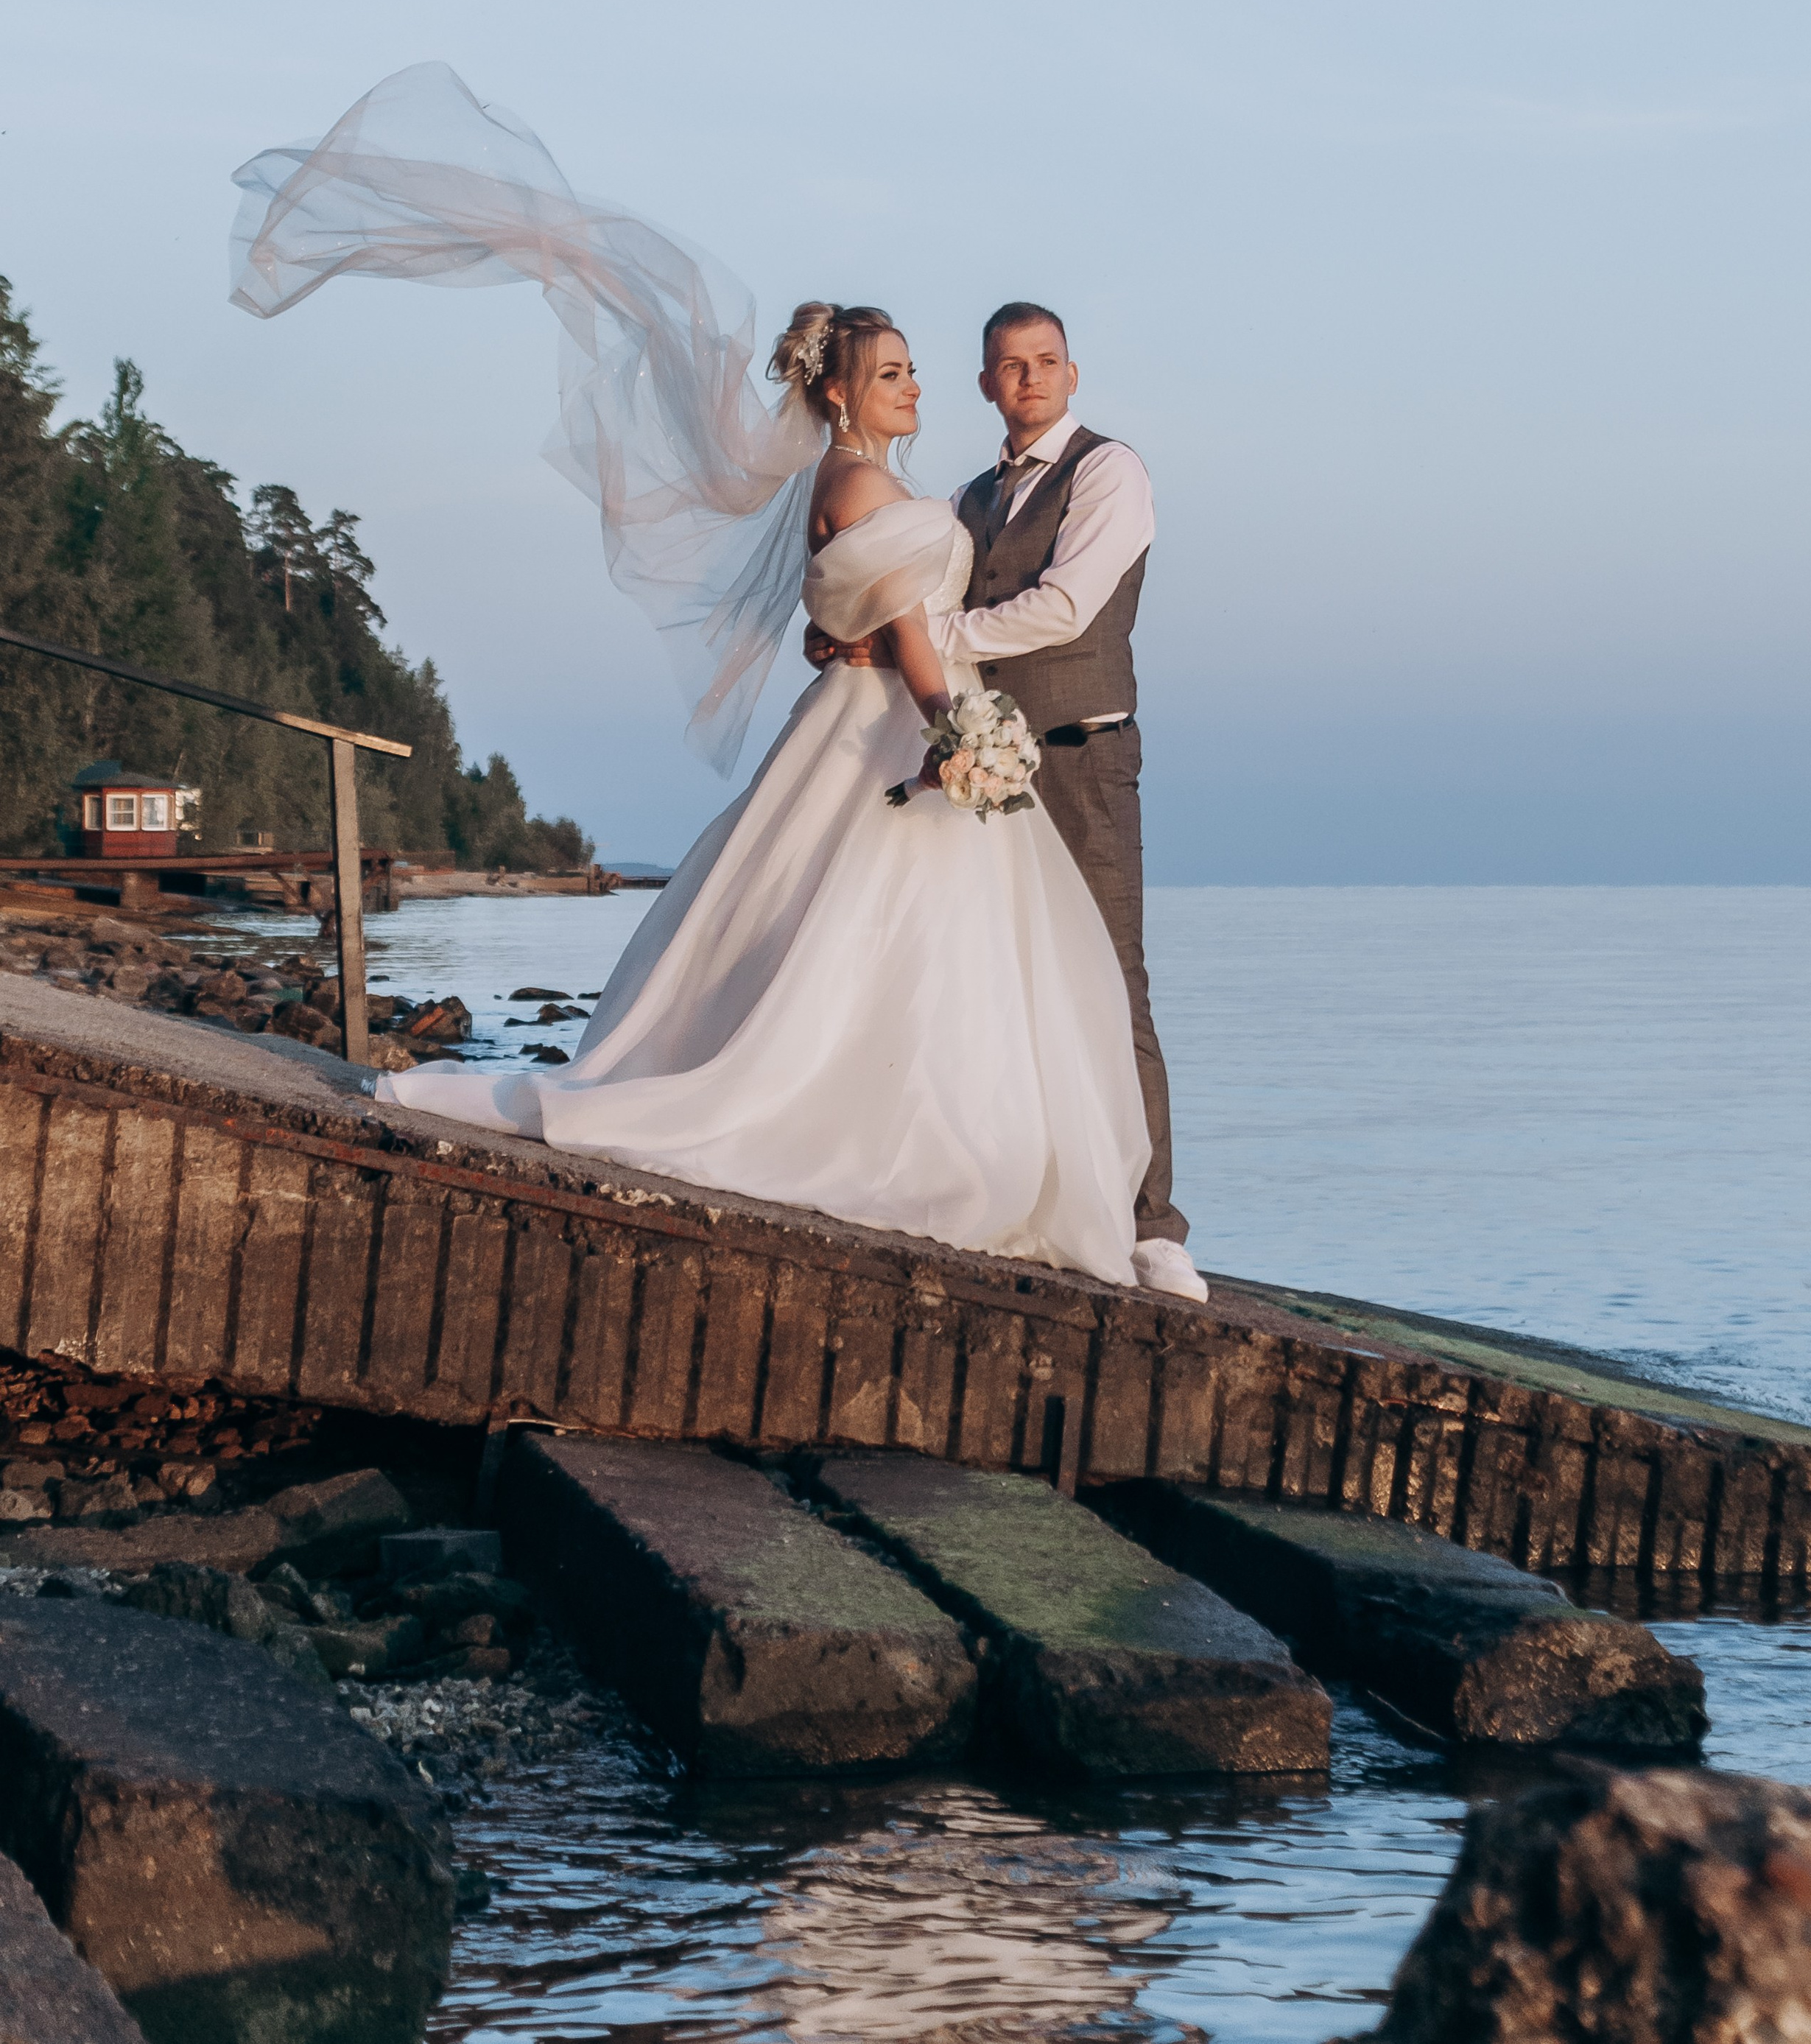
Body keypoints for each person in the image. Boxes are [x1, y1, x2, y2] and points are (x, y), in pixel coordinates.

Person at [228, 66, 1161, 1289]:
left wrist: (879, 654)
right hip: (910, 729)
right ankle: (920, 1143)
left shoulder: (1016, 479)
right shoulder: (879, 486)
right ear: (838, 390)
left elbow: (944, 611)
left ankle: (1078, 1193)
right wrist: (957, 726)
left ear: (1066, 373)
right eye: (897, 374)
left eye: (927, 371)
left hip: (895, 725)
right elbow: (913, 622)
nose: (923, 386)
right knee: (914, 953)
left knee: (870, 946)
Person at [813, 302, 1206, 1304]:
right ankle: (1032, 1196)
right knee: (1001, 987)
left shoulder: (1110, 473)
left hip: (1078, 755)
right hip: (980, 770)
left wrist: (933, 638)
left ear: (1071, 374)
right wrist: (851, 640)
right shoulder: (965, 498)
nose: (1028, 380)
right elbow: (886, 593)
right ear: (986, 384)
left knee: (1113, 983)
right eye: (1007, 367)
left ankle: (1154, 1228)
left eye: (1045, 363)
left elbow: (1066, 606)